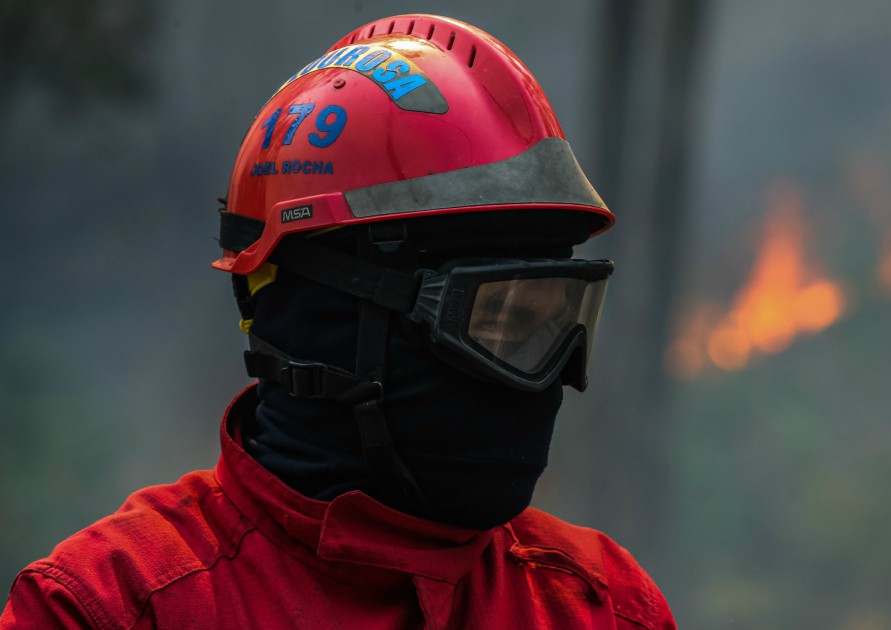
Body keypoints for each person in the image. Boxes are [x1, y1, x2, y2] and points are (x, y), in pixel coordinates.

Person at [2, 14, 675, 629]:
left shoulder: (602, 607)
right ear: (331, 322)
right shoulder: (108, 608)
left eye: (557, 321)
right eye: (496, 318)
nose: (549, 376)